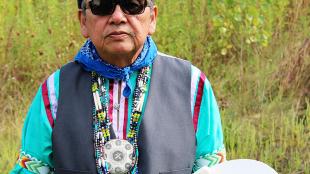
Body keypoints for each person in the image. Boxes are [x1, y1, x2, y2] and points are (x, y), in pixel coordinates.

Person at [11, 0, 226, 173]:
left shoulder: (191, 85)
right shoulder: (55, 90)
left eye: (132, 5)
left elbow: (213, 169)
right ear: (83, 21)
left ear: (152, 18)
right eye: (102, 6)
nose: (117, 17)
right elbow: (32, 168)